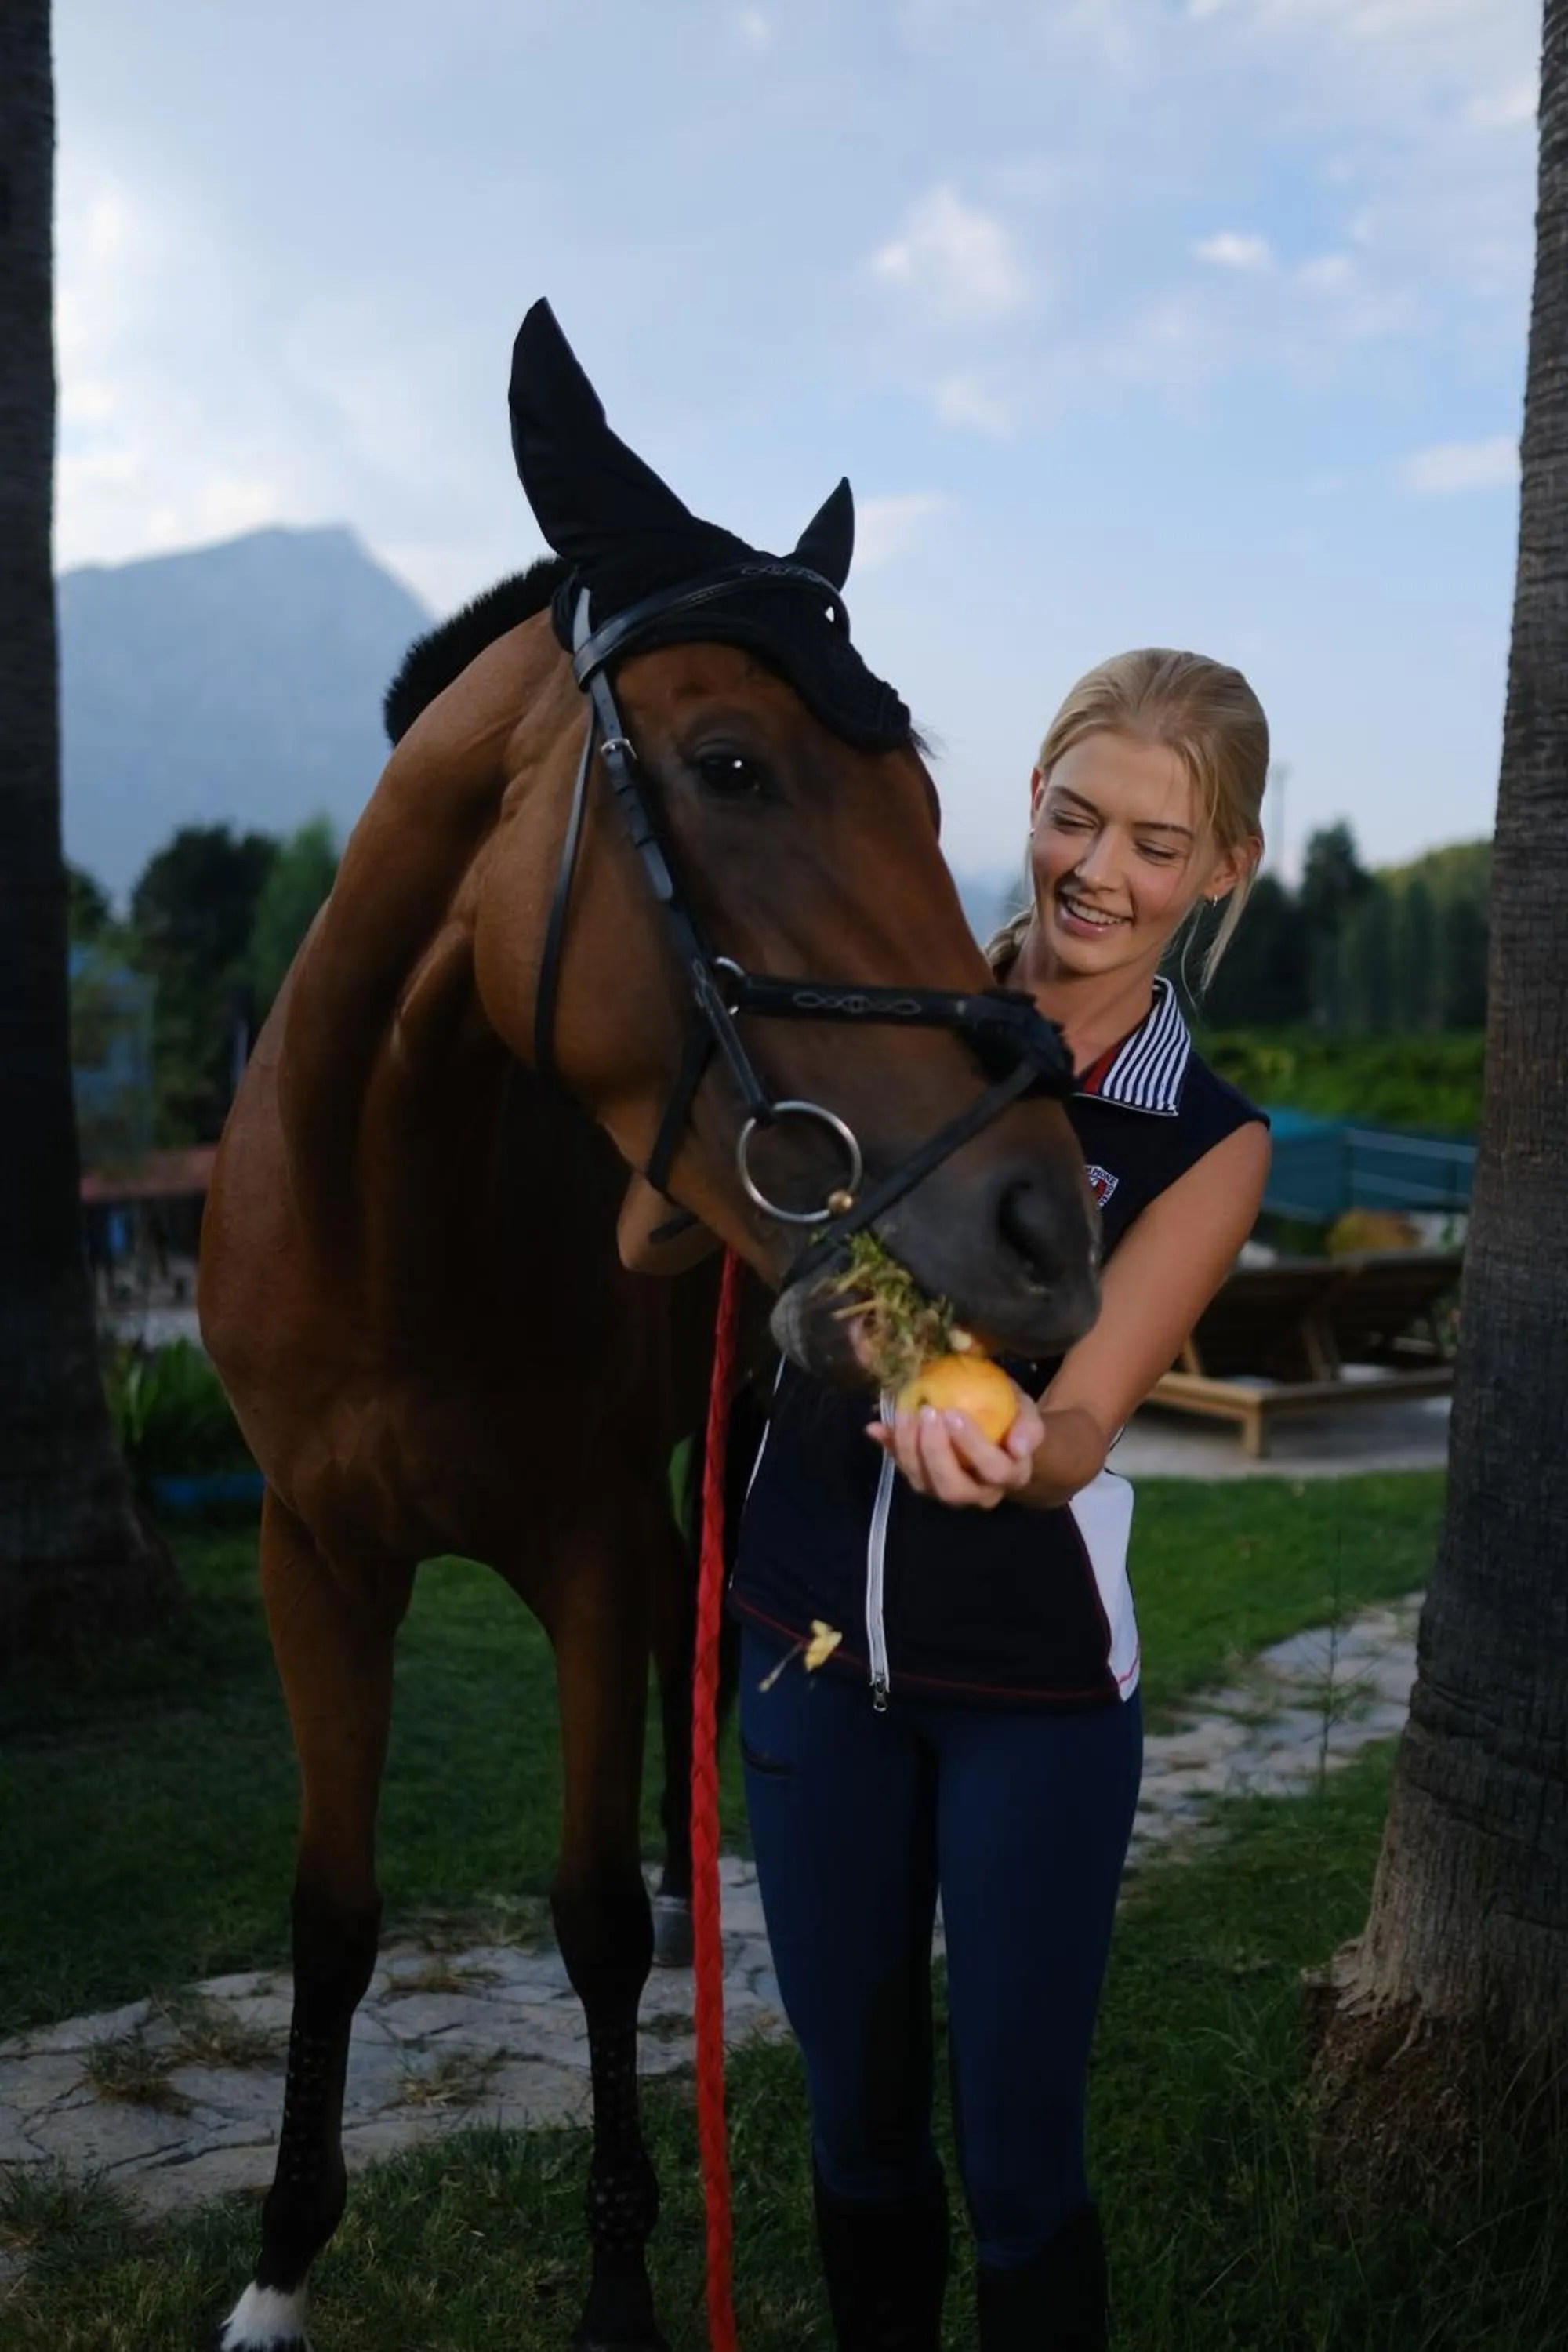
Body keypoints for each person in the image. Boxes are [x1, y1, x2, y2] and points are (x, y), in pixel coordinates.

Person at [622, 648, 1272, 2350]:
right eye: (1073, 818)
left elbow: (1074, 1427)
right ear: (1029, 808)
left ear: (1223, 870)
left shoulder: (1206, 1140)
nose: (1098, 874)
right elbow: (651, 1234)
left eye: (1154, 841)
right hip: (805, 1663)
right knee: (856, 2139)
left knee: (1021, 2165)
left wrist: (987, 1435)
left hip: (1033, 1704)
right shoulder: (864, 1018)